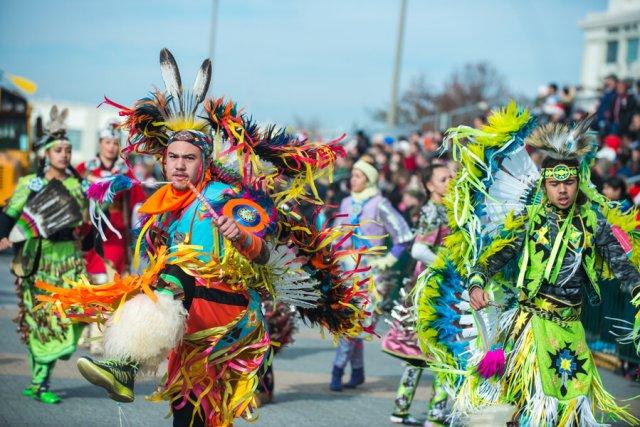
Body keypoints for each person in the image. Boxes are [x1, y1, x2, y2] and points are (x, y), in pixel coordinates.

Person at [37, 49, 370, 427]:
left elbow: (261, 252)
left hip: (224, 313)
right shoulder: (165, 204)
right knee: (189, 410)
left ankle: (125, 366)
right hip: (188, 314)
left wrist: (242, 239)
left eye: (189, 157)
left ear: (205, 162)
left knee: (176, 291)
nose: (179, 164)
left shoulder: (224, 198)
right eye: (173, 156)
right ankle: (126, 368)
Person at [416, 103, 640, 426]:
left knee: (568, 410)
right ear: (544, 185)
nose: (562, 191)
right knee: (526, 406)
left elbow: (622, 266)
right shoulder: (528, 220)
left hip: (570, 329)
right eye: (554, 184)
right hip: (530, 329)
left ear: (578, 183)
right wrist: (478, 280)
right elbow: (496, 255)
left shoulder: (593, 223)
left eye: (569, 183)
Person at [0, 106, 88, 404]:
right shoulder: (30, 184)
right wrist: (3, 235)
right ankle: (40, 381)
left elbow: (87, 224)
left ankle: (40, 378)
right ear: (46, 154)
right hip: (37, 259)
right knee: (39, 319)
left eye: (68, 149)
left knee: (69, 318)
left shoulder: (78, 186)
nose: (64, 154)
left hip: (69, 261)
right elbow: (10, 214)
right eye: (58, 150)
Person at [330, 157, 413, 392]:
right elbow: (336, 236)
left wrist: (388, 260)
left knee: (355, 324)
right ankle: (357, 372)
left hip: (370, 274)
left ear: (369, 179)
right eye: (352, 175)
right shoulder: (346, 202)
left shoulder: (380, 203)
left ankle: (338, 370)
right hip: (345, 270)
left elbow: (404, 235)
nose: (352, 180)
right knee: (349, 323)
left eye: (358, 176)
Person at [384, 164, 452, 426]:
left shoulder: (447, 208)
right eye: (443, 179)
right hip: (434, 287)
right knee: (444, 348)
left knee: (420, 350)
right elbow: (418, 250)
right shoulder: (434, 210)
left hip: (433, 285)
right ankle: (435, 414)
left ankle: (402, 408)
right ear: (430, 186)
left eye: (452, 177)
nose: (450, 181)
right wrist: (445, 266)